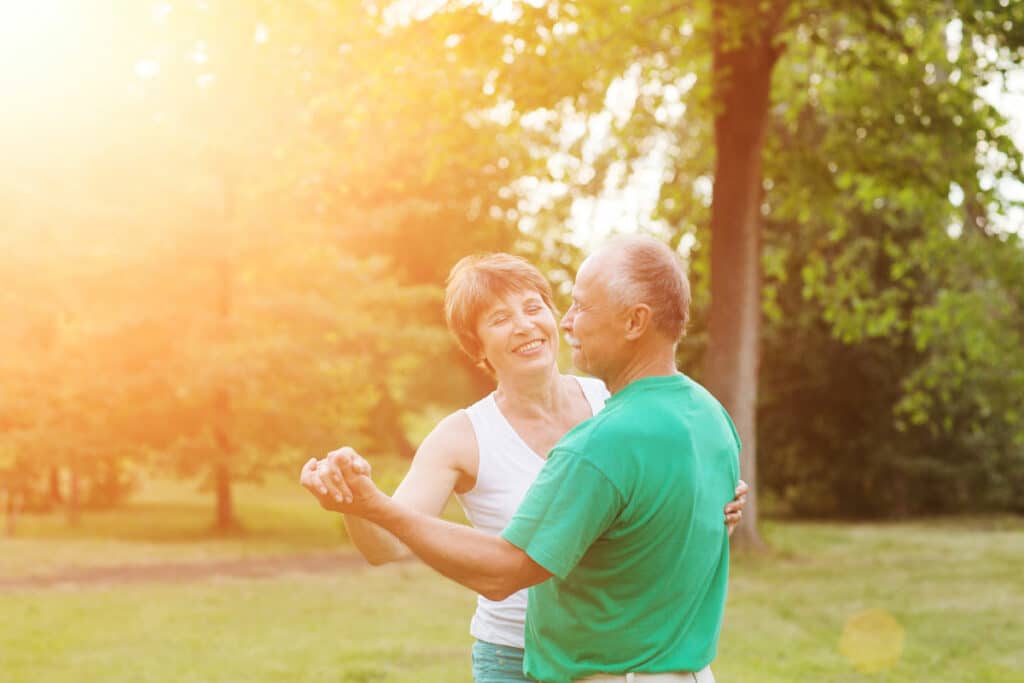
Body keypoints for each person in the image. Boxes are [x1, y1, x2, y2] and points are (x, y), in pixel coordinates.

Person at [301, 243, 745, 683]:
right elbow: (388, 544)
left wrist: (712, 499)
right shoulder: (461, 437)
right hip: (513, 657)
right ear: (478, 348)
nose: (524, 325)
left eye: (534, 307)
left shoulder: (615, 405)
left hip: (602, 655)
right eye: (500, 318)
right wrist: (355, 504)